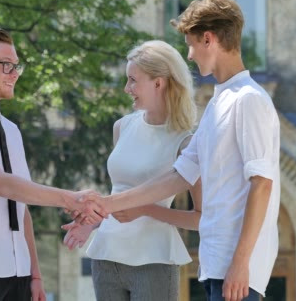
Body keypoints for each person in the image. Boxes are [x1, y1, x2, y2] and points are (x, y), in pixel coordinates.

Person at [79, 0, 281, 301]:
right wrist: (106, 205)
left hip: (238, 271)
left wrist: (241, 264)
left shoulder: (249, 100)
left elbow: (262, 185)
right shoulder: (218, 104)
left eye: (191, 44)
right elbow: (178, 176)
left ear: (209, 39)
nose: (189, 55)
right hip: (217, 265)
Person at [0, 28, 104, 300]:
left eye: (16, 66)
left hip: (19, 275)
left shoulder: (11, 131)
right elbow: (1, 185)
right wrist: (71, 199)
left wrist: (35, 274)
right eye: (6, 65)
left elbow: (20, 205)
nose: (15, 73)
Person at [62, 40, 202, 301]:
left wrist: (148, 209)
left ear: (158, 83)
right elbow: (120, 195)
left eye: (133, 80)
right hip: (106, 257)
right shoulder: (122, 126)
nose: (127, 89)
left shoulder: (187, 143)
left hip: (153, 261)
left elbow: (200, 218)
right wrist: (90, 224)